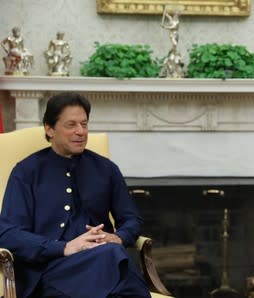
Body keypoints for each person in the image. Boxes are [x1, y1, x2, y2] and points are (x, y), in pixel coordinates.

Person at [0, 92, 151, 298]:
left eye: (84, 124)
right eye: (71, 125)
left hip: (103, 262)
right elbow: (8, 233)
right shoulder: (27, 171)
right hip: (48, 270)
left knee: (113, 256)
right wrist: (64, 247)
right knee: (116, 261)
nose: (81, 132)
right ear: (49, 129)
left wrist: (117, 237)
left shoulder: (106, 169)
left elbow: (132, 218)